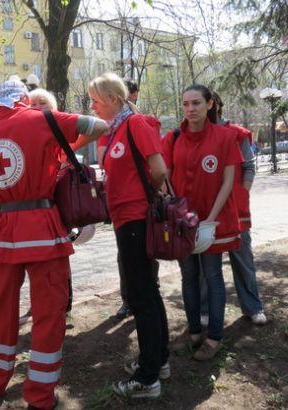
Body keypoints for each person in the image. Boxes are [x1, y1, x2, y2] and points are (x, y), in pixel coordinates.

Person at [0, 78, 108, 409]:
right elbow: (98, 124)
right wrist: (62, 148)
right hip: (42, 228)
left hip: (2, 230)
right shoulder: (42, 119)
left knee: (0, 310)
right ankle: (40, 395)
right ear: (25, 100)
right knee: (48, 312)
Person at [88, 72, 169, 400]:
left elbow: (160, 168)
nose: (92, 106)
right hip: (125, 220)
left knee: (141, 295)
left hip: (137, 219)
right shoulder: (117, 128)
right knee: (145, 293)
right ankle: (158, 361)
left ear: (110, 98)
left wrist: (147, 196)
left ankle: (147, 378)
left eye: (95, 100)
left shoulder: (134, 124)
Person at [161, 84, 243, 361]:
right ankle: (194, 332)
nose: (190, 109)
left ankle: (214, 337)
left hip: (213, 221)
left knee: (213, 276)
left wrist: (209, 220)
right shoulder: (172, 138)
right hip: (183, 224)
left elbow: (229, 180)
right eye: (185, 104)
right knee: (188, 277)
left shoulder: (225, 137)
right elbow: (165, 178)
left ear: (209, 104)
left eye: (196, 103)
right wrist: (177, 213)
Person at [198, 92, 266, 326]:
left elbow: (248, 167)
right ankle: (205, 310)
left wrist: (241, 192)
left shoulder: (237, 134)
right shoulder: (194, 136)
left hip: (236, 211)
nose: (195, 109)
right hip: (206, 211)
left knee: (242, 259)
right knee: (206, 265)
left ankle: (252, 306)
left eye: (200, 103)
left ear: (212, 105)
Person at [28, 88, 75, 319]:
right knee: (36, 258)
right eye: (32, 103)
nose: (36, 106)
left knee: (59, 257)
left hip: (58, 205)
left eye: (42, 102)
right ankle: (39, 303)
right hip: (36, 209)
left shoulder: (59, 132)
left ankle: (63, 306)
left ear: (53, 108)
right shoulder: (25, 136)